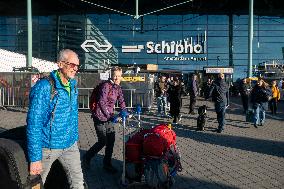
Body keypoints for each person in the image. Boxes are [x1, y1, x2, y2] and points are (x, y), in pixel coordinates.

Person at [26, 49, 85, 188]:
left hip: (70, 144)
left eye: (77, 66)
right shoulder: (45, 86)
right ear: (60, 64)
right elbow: (34, 123)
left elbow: (72, 115)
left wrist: (74, 137)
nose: (75, 69)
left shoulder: (73, 84)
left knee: (78, 183)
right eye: (72, 65)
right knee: (36, 185)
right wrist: (35, 158)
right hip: (48, 147)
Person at [83, 66, 126, 173]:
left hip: (109, 117)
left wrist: (124, 111)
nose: (117, 78)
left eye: (119, 76)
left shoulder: (118, 88)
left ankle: (107, 164)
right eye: (115, 75)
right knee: (102, 141)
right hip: (99, 116)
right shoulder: (106, 86)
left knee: (111, 141)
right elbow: (101, 102)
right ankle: (87, 157)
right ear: (111, 75)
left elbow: (121, 100)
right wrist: (110, 116)